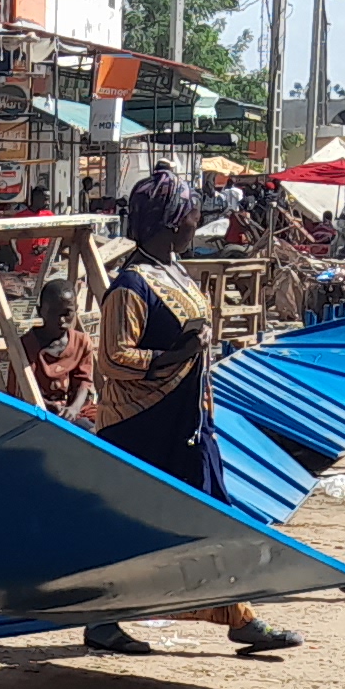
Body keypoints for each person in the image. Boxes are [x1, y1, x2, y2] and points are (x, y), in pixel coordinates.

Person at [81, 167, 303, 658]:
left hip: (188, 420)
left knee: (209, 518)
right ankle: (106, 619)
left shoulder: (173, 272)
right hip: (145, 427)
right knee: (144, 526)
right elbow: (115, 358)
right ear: (171, 221)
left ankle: (234, 613)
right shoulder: (131, 286)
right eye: (191, 215)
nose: (196, 223)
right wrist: (175, 356)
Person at [23, 274, 100, 420]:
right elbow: (20, 390)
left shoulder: (81, 342)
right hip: (39, 411)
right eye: (53, 313)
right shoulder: (26, 346)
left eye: (67, 313)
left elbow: (84, 381)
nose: (61, 320)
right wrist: (47, 406)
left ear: (75, 309)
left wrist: (74, 408)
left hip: (76, 411)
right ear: (40, 311)